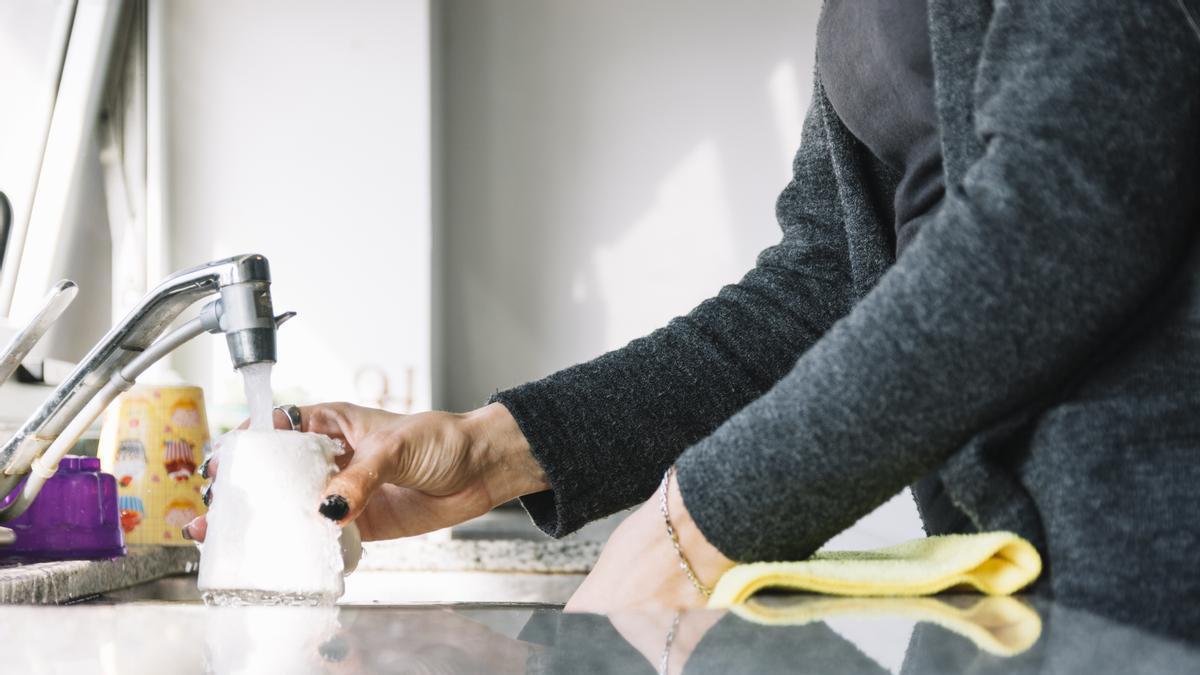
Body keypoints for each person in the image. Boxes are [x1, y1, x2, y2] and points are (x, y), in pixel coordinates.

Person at [187, 0, 1200, 641]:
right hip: (1020, 579)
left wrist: (698, 523)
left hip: (1154, 572)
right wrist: (496, 450)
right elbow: (827, 283)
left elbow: (1069, 198)